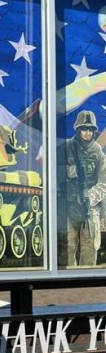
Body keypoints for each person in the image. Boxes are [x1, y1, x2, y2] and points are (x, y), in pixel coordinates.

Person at [58, 110, 106, 266]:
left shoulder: (99, 153)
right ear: (78, 129)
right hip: (68, 205)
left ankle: (87, 278)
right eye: (84, 129)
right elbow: (52, 172)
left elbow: (104, 182)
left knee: (90, 249)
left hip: (90, 208)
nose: (88, 133)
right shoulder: (66, 147)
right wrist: (70, 172)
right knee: (67, 248)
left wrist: (90, 196)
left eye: (91, 129)